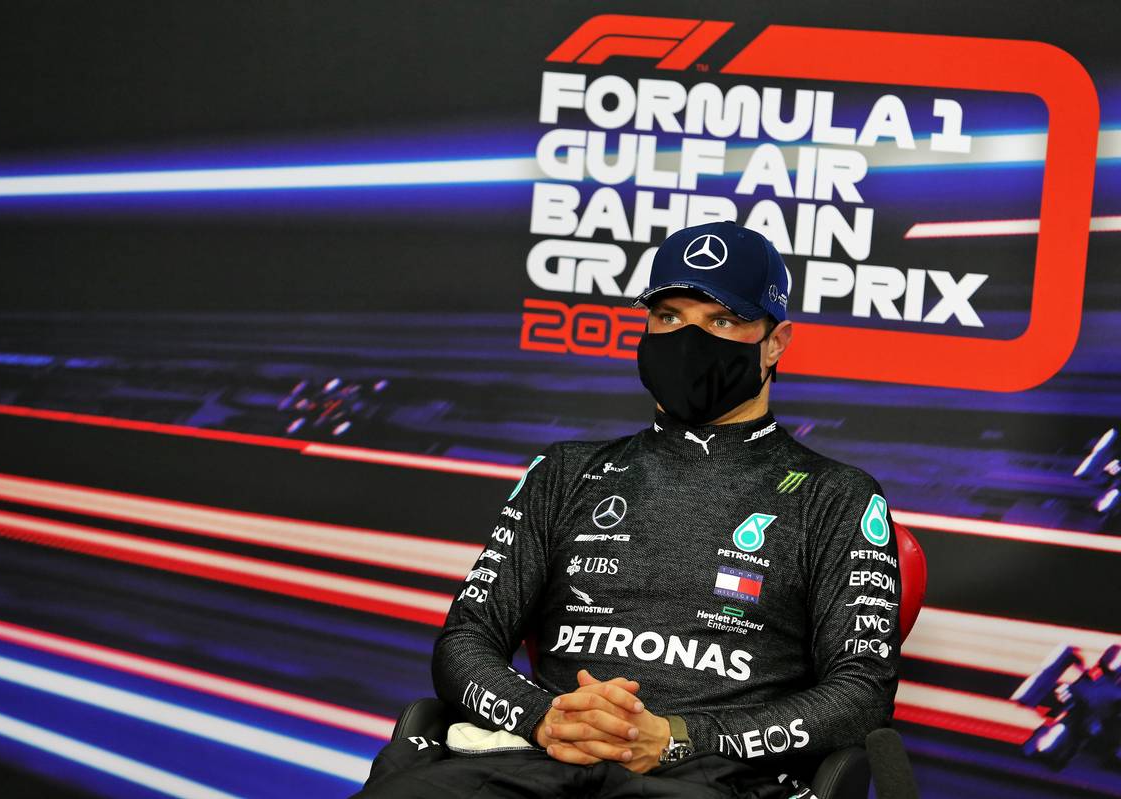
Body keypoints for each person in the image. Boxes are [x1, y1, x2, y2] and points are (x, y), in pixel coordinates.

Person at [354, 221, 901, 799]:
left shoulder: (835, 495)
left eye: (722, 321)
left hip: (711, 778)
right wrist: (545, 717)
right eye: (669, 317)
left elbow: (860, 697)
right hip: (538, 756)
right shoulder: (564, 473)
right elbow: (465, 642)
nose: (691, 340)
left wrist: (678, 737)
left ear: (776, 342)